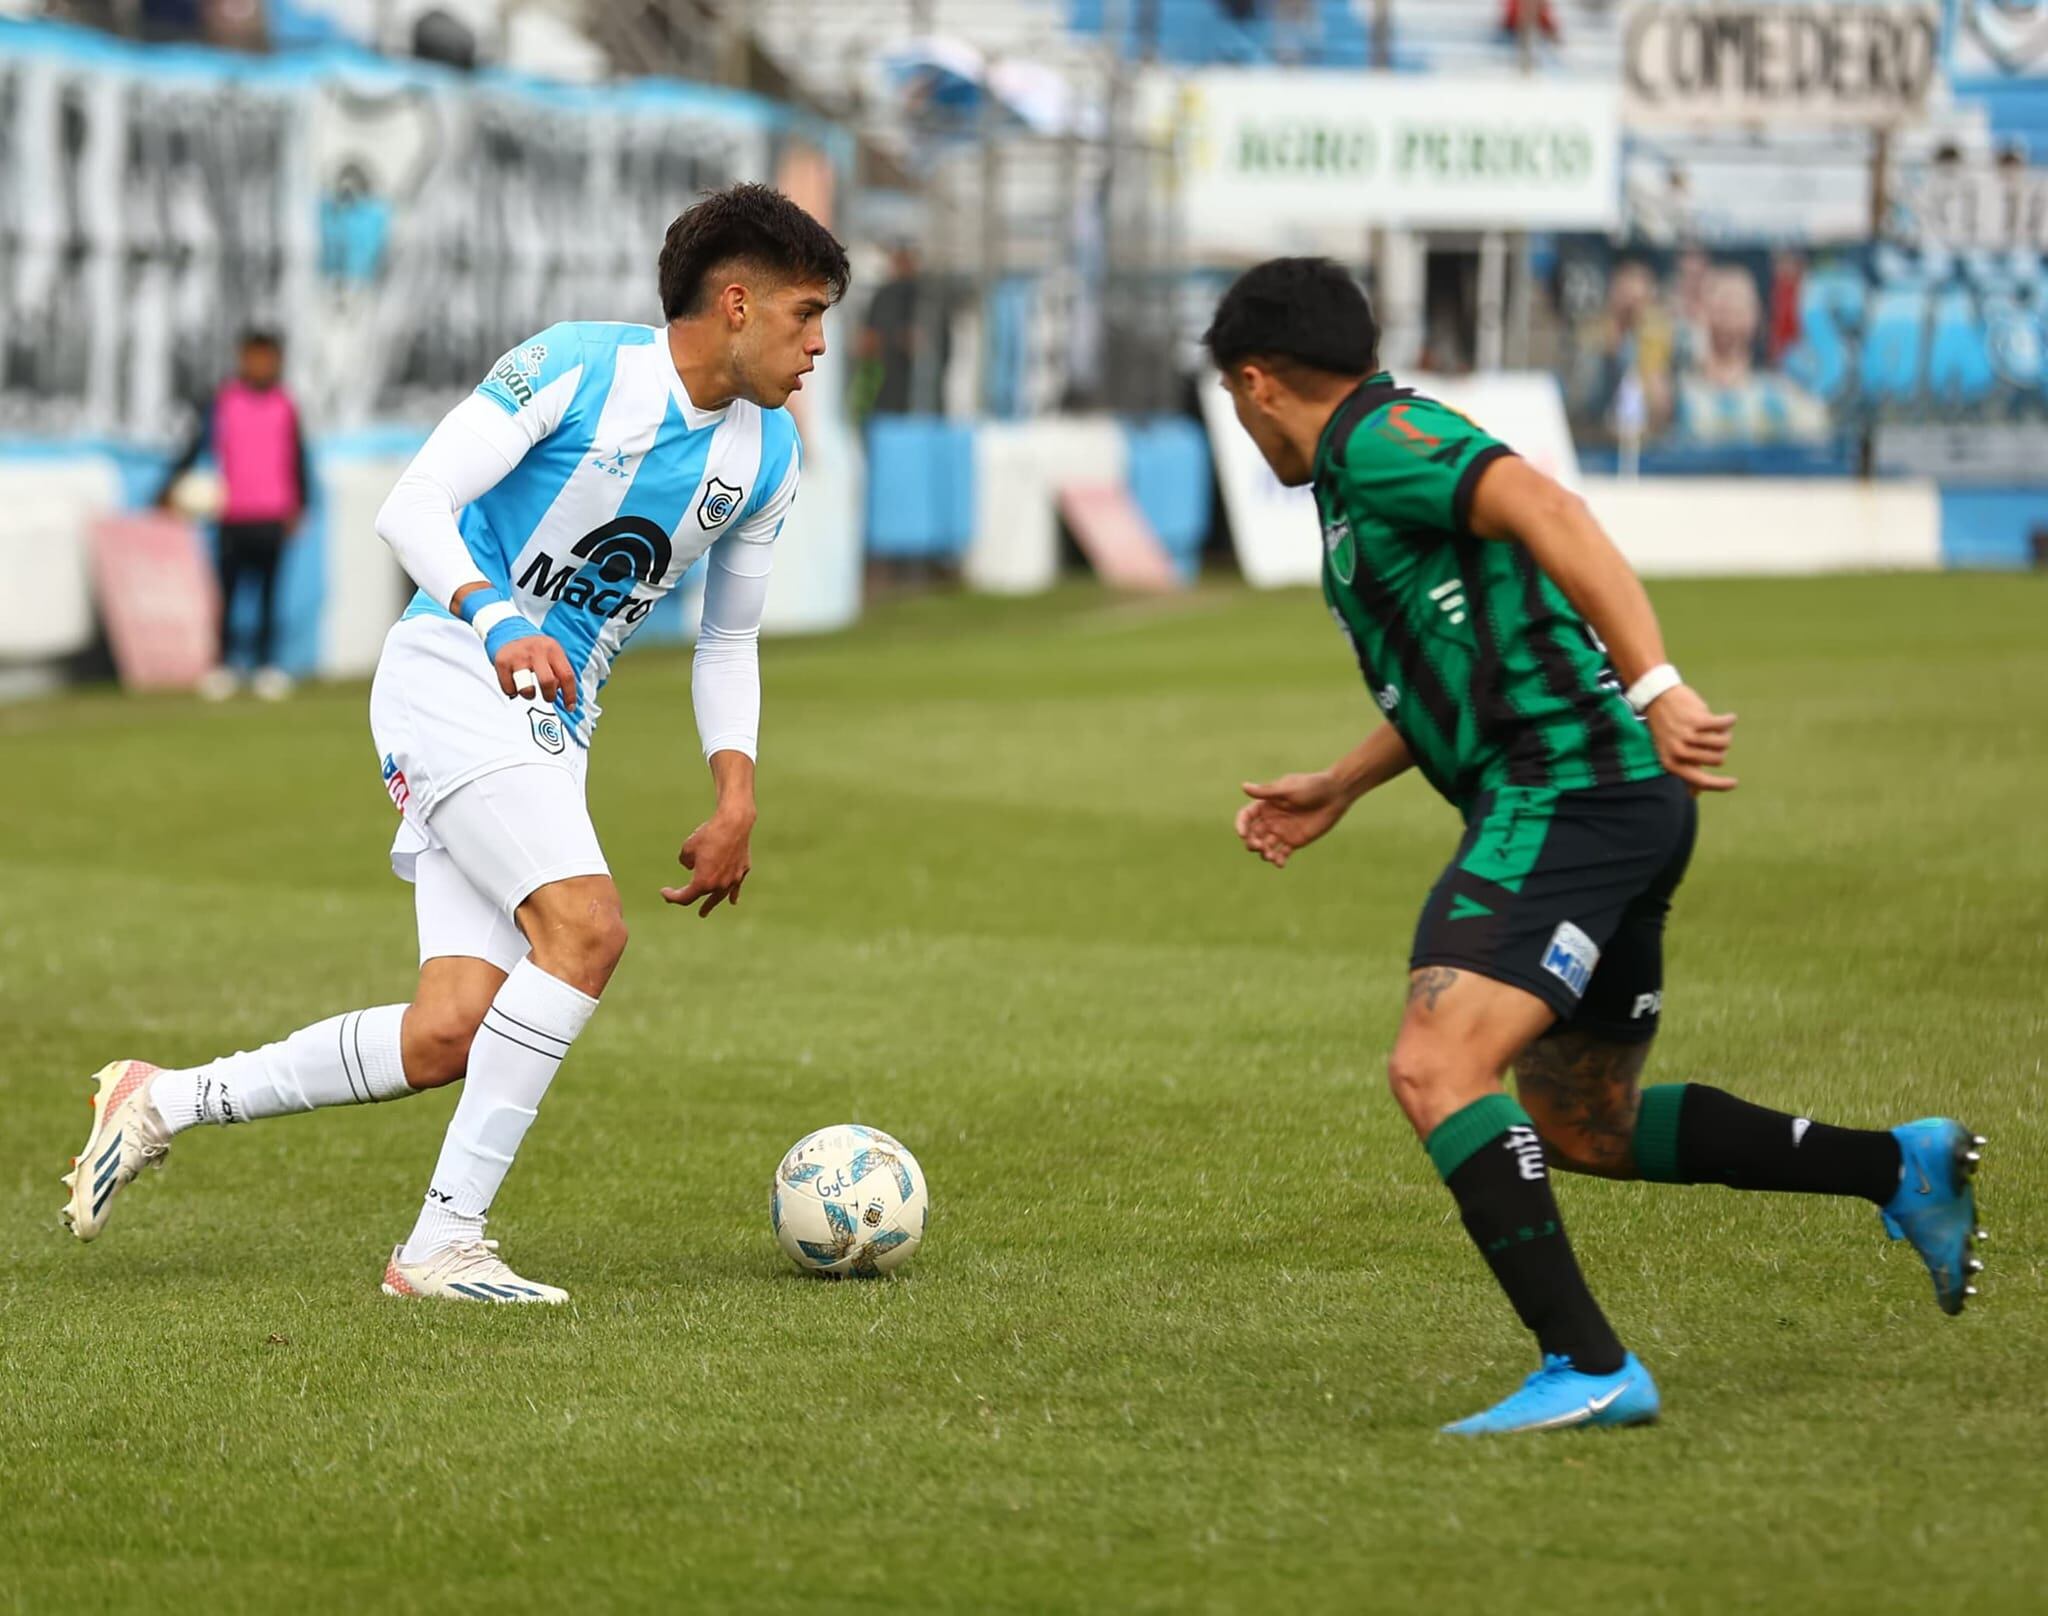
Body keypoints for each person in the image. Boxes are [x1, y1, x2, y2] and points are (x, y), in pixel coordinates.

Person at [1207, 258, 1985, 1435]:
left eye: (1228, 396)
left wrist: (1657, 680)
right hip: (1605, 797)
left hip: (1566, 791)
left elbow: (1551, 510)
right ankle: (1897, 1167)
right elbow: (1462, 658)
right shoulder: (1369, 460)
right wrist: (1342, 783)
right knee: (1581, 1123)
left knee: (1434, 1065)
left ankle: (1587, 1363)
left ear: (1255, 380)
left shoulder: (1381, 439)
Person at [66, 184, 850, 1304]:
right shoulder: (575, 366)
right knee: (585, 929)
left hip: (551, 721)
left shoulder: (765, 457)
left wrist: (737, 792)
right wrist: (500, 615)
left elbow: (727, 635)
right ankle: (443, 1242)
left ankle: (159, 1097)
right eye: (805, 313)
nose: (818, 343)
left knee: (447, 1031)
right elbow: (415, 503)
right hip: (451, 668)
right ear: (735, 302)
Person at [155, 329, 312, 701]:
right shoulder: (224, 401)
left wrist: (299, 504)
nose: (260, 365)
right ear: (242, 358)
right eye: (253, 356)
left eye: (266, 357)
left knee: (270, 594)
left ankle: (267, 666)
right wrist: (166, 489)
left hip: (273, 513)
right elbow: (195, 447)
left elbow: (297, 458)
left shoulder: (285, 405)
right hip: (233, 514)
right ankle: (223, 665)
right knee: (227, 593)